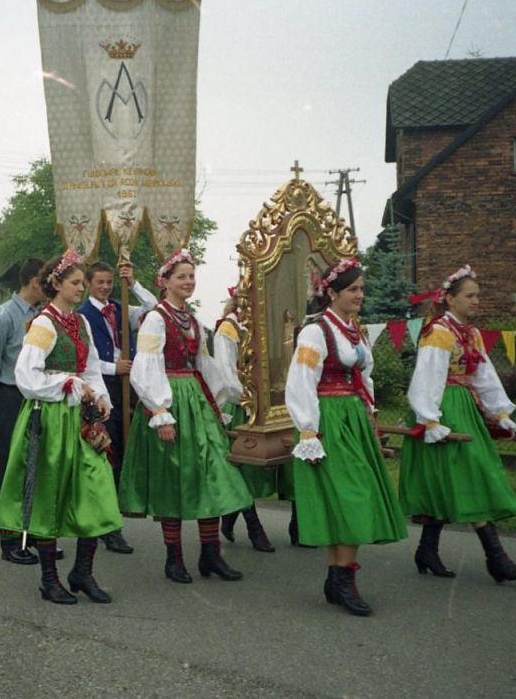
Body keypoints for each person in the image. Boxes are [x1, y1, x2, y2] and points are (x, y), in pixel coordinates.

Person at [0, 250, 122, 605]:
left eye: (83, 283)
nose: (81, 288)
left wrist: (98, 394)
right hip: (50, 418)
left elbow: (91, 366)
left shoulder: (79, 323)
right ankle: (49, 579)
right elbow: (26, 375)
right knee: (50, 494)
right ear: (57, 285)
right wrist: (66, 383)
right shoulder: (44, 324)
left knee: (95, 490)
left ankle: (82, 571)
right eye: (76, 283)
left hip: (81, 418)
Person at [121, 250, 253, 585]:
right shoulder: (156, 318)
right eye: (181, 276)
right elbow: (145, 366)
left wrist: (221, 401)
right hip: (168, 401)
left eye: (191, 276)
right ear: (164, 282)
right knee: (173, 479)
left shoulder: (193, 322)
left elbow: (205, 365)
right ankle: (173, 558)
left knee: (210, 473)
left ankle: (211, 554)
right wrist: (161, 412)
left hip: (195, 400)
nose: (188, 281)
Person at [284, 258, 407, 616]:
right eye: (353, 289)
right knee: (350, 496)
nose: (360, 295)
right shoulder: (315, 331)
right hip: (327, 419)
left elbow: (364, 377)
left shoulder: (355, 331)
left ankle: (338, 577)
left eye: (362, 289)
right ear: (333, 293)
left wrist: (370, 414)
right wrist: (308, 429)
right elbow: (301, 381)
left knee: (351, 496)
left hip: (352, 417)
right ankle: (342, 580)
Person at [400, 265, 516, 584]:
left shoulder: (470, 333)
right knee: (467, 476)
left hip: (465, 407)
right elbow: (427, 377)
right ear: (449, 299)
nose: (476, 301)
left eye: (477, 296)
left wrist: (499, 411)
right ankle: (496, 559)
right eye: (469, 296)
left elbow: (483, 374)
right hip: (445, 408)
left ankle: (427, 551)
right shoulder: (439, 333)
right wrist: (430, 419)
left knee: (452, 480)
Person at [75, 259, 158, 555]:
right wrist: (114, 367)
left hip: (127, 388)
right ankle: (109, 528)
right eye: (100, 282)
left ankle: (111, 517)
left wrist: (132, 283)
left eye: (109, 282)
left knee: (122, 451)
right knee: (106, 455)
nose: (106, 287)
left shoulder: (121, 309)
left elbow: (152, 308)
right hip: (103, 388)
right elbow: (86, 359)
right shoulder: (82, 315)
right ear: (88, 283)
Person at [0, 257, 46, 565]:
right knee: (12, 467)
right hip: (10, 395)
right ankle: (9, 539)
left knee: (37, 465)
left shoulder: (43, 317)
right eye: (47, 281)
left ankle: (35, 535)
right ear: (33, 282)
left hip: (37, 396)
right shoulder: (3, 317)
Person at [212, 292, 276, 553]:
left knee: (254, 468)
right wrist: (251, 398)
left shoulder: (256, 328)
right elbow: (226, 375)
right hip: (239, 405)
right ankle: (254, 527)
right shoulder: (228, 329)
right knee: (240, 467)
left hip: (259, 404)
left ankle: (231, 517)